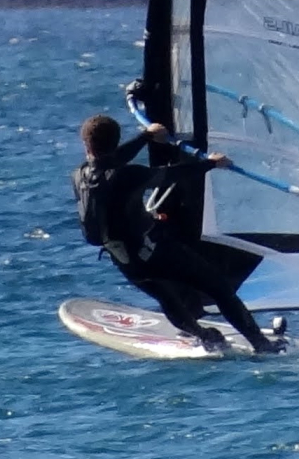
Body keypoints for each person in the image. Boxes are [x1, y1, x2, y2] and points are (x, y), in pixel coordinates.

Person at [72, 112, 282, 354]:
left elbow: (108, 162)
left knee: (167, 298)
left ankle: (205, 336)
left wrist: (145, 137)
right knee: (219, 288)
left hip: (124, 260)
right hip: (153, 252)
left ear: (86, 144)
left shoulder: (78, 176)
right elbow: (170, 176)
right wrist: (211, 163)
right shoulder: (130, 175)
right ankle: (262, 345)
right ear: (116, 141)